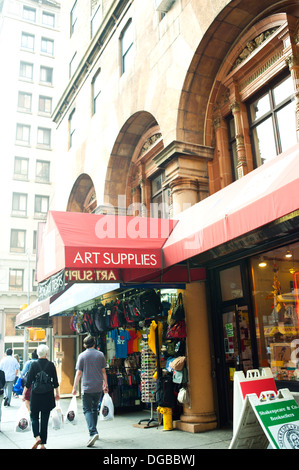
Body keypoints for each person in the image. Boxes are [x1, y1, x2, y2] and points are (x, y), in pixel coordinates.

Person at [72, 335, 108, 447]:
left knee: (87, 410)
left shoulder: (82, 356)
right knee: (94, 409)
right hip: (98, 387)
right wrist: (105, 384)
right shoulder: (100, 354)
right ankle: (94, 431)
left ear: (84, 344)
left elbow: (79, 373)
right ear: (94, 343)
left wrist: (74, 387)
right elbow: (103, 371)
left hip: (87, 387)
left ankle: (93, 432)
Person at [22, 344, 60, 449]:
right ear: (46, 353)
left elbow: (28, 381)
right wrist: (57, 393)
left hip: (36, 395)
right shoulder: (51, 365)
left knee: (34, 416)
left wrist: (24, 394)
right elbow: (55, 381)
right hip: (48, 395)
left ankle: (37, 436)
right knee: (45, 419)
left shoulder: (33, 365)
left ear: (38, 354)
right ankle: (42, 444)